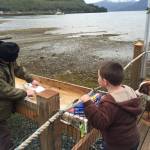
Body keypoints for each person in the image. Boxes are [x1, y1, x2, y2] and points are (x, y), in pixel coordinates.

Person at [80, 61, 142, 150]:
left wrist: (88, 103)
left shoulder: (110, 103)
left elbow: (100, 122)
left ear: (105, 82)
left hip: (117, 145)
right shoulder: (129, 90)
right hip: (133, 138)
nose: (97, 79)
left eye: (98, 77)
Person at [0, 41, 39, 150]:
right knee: (3, 133)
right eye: (11, 60)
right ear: (4, 58)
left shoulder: (6, 55)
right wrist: (25, 92)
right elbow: (5, 91)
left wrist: (31, 79)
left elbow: (18, 69)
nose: (13, 62)